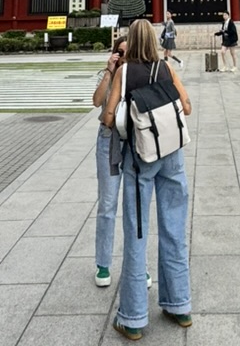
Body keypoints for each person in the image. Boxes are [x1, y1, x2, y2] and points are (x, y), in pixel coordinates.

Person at [102, 19, 192, 340]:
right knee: (174, 227)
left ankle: (134, 317)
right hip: (173, 154)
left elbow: (109, 117)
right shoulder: (166, 67)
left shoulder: (126, 72)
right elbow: (187, 107)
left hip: (140, 159)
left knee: (137, 232)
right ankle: (179, 305)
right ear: (154, 40)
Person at [92, 35, 152, 289]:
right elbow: (97, 102)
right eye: (120, 52)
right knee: (107, 203)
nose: (123, 56)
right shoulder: (108, 72)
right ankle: (103, 263)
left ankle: (138, 265)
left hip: (135, 141)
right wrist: (109, 71)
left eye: (128, 52)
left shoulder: (139, 74)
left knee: (135, 205)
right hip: (109, 140)